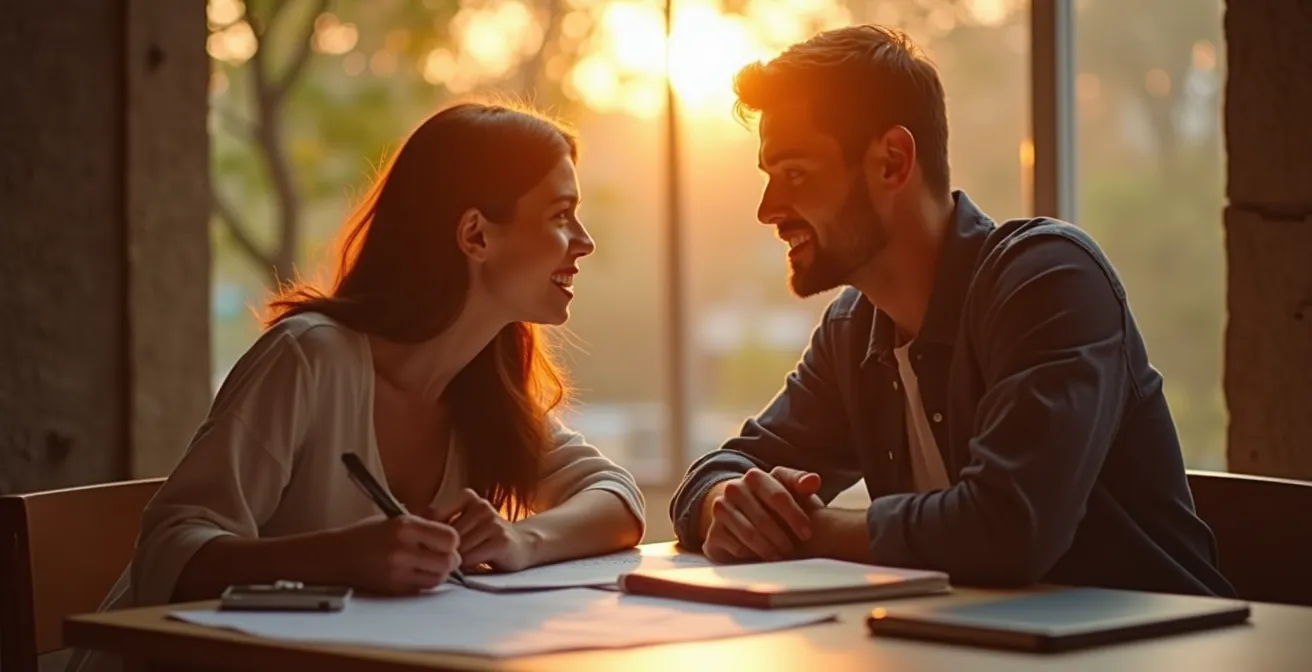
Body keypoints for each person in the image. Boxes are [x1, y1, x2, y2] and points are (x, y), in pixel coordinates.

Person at [69, 101, 645, 672]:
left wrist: (521, 542)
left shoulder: (483, 389)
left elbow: (616, 497)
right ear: (475, 235)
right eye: (561, 215)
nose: (584, 241)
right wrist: (341, 558)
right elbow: (169, 550)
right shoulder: (309, 358)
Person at [669, 25, 1234, 597]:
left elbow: (1007, 530)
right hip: (978, 639)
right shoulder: (853, 330)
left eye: (795, 174)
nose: (768, 210)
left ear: (892, 162)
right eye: (770, 178)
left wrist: (804, 532)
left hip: (1169, 638)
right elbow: (719, 474)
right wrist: (731, 507)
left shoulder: (1048, 281)